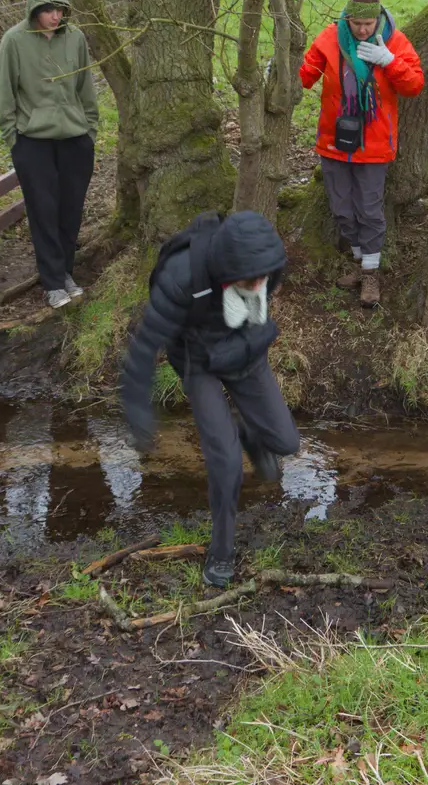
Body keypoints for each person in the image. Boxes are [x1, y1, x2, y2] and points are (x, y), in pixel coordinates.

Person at [120, 210, 299, 588]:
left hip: (246, 352)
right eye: (252, 279)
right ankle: (221, 551)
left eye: (265, 276)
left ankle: (251, 437)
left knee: (286, 442)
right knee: (225, 462)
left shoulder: (264, 265)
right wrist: (137, 411)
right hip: (199, 362)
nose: (262, 283)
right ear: (227, 271)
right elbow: (143, 349)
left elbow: (258, 304)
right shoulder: (181, 278)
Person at [299, 0, 424, 306]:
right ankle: (358, 263)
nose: (364, 29)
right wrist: (280, 70)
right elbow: (305, 76)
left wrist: (389, 61)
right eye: (357, 24)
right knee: (342, 209)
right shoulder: (329, 39)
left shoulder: (394, 40)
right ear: (347, 18)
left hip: (375, 142)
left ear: (378, 17)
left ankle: (371, 274)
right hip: (335, 140)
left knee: (369, 210)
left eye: (369, 23)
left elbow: (414, 86)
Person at [0, 0, 99, 309]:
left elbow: (85, 86)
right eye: (49, 9)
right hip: (33, 143)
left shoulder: (76, 38)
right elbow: (5, 94)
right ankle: (53, 283)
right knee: (43, 211)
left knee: (70, 209)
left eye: (60, 9)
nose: (55, 15)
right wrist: (15, 140)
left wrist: (90, 130)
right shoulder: (14, 41)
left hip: (74, 140)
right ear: (34, 9)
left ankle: (66, 273)